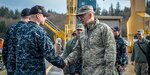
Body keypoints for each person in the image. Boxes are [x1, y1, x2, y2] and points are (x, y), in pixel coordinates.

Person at [2, 5, 65, 75]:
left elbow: (11, 53)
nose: (46, 18)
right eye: (44, 16)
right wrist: (63, 64)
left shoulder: (18, 31)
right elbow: (50, 55)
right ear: (38, 16)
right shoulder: (39, 31)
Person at [64, 5, 116, 75]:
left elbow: (111, 54)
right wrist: (66, 61)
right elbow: (77, 51)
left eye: (82, 16)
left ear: (90, 15)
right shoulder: (83, 34)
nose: (80, 18)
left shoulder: (103, 29)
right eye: (79, 16)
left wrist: (108, 73)